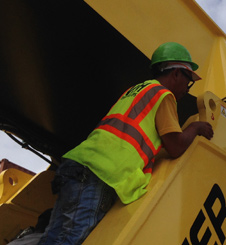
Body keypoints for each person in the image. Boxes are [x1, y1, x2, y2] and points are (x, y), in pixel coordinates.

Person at [39, 42, 214, 244]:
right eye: (188, 80)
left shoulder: (136, 90)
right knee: (71, 239)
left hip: (78, 165)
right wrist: (195, 127)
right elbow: (175, 146)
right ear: (176, 73)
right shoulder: (163, 95)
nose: (187, 88)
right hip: (100, 173)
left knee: (54, 237)